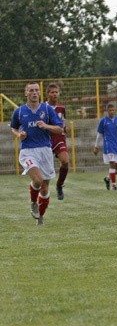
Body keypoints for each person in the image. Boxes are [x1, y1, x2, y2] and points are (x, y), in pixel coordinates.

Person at [10, 81, 64, 225]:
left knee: (45, 189)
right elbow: (14, 128)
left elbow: (60, 129)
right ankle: (33, 202)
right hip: (28, 151)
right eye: (31, 90)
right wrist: (19, 134)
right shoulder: (20, 111)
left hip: (45, 150)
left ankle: (40, 216)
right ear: (26, 93)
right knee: (38, 180)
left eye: (36, 90)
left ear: (39, 93)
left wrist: (46, 126)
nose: (34, 93)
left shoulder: (47, 109)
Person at [92, 104, 117, 190]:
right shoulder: (103, 121)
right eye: (110, 110)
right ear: (107, 111)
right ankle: (114, 185)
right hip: (108, 146)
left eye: (113, 110)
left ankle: (108, 178)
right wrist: (96, 146)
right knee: (112, 164)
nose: (112, 112)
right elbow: (99, 134)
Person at [46, 83, 70, 200]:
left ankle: (59, 185)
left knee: (65, 162)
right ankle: (41, 191)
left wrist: (65, 129)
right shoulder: (43, 107)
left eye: (56, 92)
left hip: (59, 138)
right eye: (52, 92)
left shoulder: (61, 108)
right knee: (45, 169)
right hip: (45, 139)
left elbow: (62, 122)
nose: (55, 94)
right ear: (47, 94)